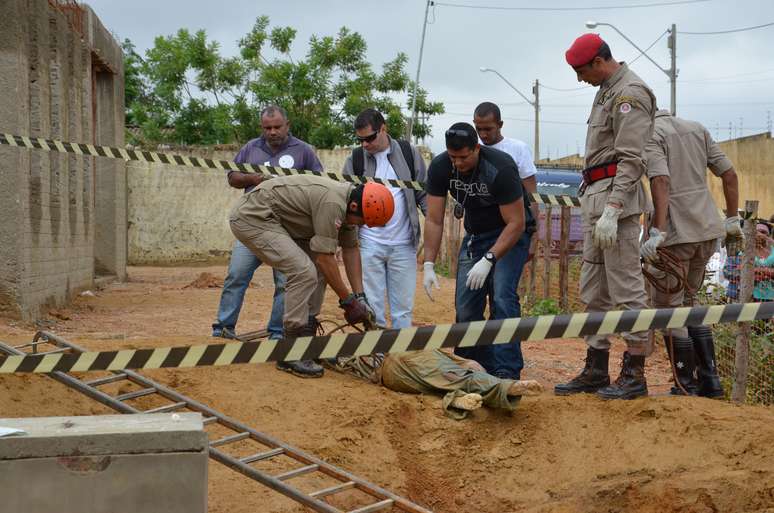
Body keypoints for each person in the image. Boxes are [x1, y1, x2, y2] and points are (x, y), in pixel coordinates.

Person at [554, 33, 656, 400]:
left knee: (627, 288)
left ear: (599, 62)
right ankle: (596, 367)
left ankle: (635, 372)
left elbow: (632, 159)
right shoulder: (606, 91)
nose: (580, 79)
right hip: (596, 197)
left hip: (616, 201)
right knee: (594, 288)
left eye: (582, 71)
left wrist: (613, 209)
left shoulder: (630, 93)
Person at [229, 175, 394, 378]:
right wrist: (348, 302)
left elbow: (351, 249)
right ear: (353, 207)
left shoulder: (350, 205)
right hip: (254, 217)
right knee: (303, 271)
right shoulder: (333, 204)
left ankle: (306, 341)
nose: (363, 226)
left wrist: (360, 298)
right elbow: (325, 259)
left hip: (280, 222)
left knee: (318, 271)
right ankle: (290, 350)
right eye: (363, 221)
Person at [639, 110, 741, 397]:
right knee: (690, 302)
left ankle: (686, 384)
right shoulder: (697, 128)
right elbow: (729, 173)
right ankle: (711, 382)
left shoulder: (650, 134)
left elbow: (660, 180)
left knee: (669, 309)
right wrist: (732, 219)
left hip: (675, 233)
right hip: (706, 228)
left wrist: (658, 231)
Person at [422, 122, 529, 380]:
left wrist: (490, 258)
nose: (457, 163)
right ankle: (472, 365)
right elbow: (434, 219)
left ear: (477, 149)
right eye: (453, 157)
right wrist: (428, 264)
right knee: (466, 306)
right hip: (476, 237)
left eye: (463, 157)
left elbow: (517, 223)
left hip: (509, 234)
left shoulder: (500, 167)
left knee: (502, 298)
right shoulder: (440, 167)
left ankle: (506, 370)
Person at [212, 105, 324, 341]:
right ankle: (223, 327)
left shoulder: (303, 151)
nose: (272, 132)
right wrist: (254, 178)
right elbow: (232, 177)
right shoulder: (251, 148)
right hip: (253, 225)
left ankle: (277, 332)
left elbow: (318, 182)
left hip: (288, 229)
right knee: (236, 275)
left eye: (277, 127)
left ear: (287, 125)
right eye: (267, 128)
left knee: (285, 281)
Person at [341, 108, 427, 329]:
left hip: (404, 244)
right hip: (369, 244)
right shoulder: (356, 159)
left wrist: (433, 224)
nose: (365, 144)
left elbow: (423, 194)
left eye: (369, 138)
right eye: (360, 140)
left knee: (403, 311)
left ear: (383, 129)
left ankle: (400, 350)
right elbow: (344, 198)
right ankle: (375, 349)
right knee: (372, 308)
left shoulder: (408, 153)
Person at [329, 349, 543, 420]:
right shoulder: (408, 356)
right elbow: (468, 369)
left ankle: (458, 399)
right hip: (406, 363)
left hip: (400, 373)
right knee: (456, 377)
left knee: (439, 385)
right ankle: (506, 387)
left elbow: (469, 366)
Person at [473, 101, 539, 259]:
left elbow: (532, 196)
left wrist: (533, 237)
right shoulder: (473, 150)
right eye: (479, 129)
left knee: (504, 276)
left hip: (513, 233)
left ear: (500, 124)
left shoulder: (518, 149)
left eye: (488, 129)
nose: (483, 134)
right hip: (480, 233)